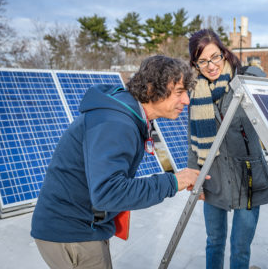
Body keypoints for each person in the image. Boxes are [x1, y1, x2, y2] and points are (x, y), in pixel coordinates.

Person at [31, 55, 207, 269]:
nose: (187, 100)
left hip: (80, 226)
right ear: (152, 89)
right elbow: (108, 192)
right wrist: (172, 182)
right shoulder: (115, 123)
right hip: (73, 232)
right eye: (179, 92)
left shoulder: (125, 115)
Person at [187, 29, 268, 269]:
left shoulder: (243, 82)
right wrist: (195, 180)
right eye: (203, 60)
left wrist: (254, 77)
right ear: (195, 63)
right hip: (213, 176)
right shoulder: (196, 93)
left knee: (240, 247)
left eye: (215, 56)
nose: (211, 65)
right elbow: (192, 140)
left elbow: (267, 90)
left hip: (248, 180)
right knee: (214, 241)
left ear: (224, 53)